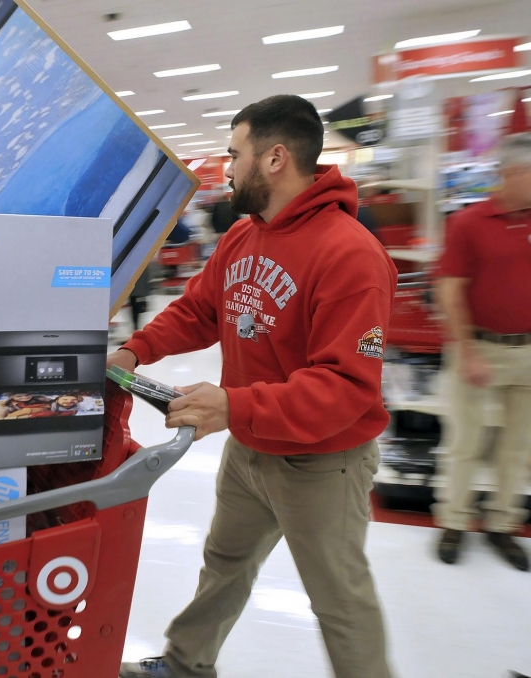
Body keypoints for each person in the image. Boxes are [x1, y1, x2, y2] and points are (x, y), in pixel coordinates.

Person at [113, 95, 397, 678]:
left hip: (322, 463)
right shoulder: (245, 237)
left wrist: (233, 405)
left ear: (273, 158)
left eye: (233, 153)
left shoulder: (350, 254)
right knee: (224, 563)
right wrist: (133, 349)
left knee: (339, 600)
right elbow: (198, 310)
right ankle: (186, 665)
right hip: (250, 446)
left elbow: (346, 386)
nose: (226, 167)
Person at [432, 133, 531, 572]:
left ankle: (503, 525)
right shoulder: (469, 223)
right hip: (480, 348)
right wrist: (467, 351)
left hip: (528, 352)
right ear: (510, 174)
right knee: (465, 441)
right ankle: (453, 520)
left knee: (518, 447)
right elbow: (450, 291)